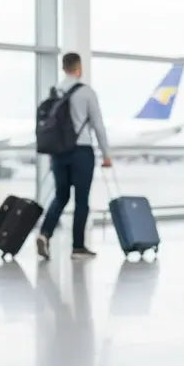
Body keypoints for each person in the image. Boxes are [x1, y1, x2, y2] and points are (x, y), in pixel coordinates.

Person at [37, 53, 112, 260]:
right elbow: (98, 125)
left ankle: (44, 234)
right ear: (79, 68)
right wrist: (106, 155)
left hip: (58, 152)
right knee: (81, 200)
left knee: (61, 196)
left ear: (63, 68)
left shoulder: (55, 92)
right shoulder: (86, 92)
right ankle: (78, 247)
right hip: (81, 151)